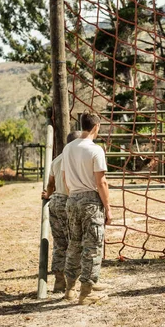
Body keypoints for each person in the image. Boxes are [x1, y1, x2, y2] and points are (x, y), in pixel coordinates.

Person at [62, 113, 113, 304]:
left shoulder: (68, 148)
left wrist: (74, 194)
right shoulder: (95, 150)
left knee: (74, 244)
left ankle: (70, 289)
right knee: (93, 246)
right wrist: (107, 207)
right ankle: (87, 292)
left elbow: (66, 179)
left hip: (72, 199)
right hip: (90, 201)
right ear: (96, 127)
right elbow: (101, 182)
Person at [41, 130, 82, 293]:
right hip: (69, 201)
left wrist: (48, 194)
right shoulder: (76, 159)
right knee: (74, 242)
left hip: (55, 201)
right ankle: (73, 281)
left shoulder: (57, 160)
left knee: (59, 243)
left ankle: (59, 281)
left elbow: (51, 183)